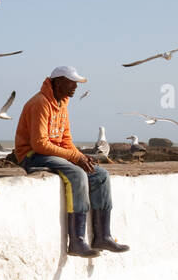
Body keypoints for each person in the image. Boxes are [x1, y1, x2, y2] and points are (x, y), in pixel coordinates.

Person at [13, 65, 129, 257]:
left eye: (76, 83)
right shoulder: (40, 103)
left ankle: (102, 236)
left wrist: (81, 157)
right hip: (32, 156)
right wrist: (75, 158)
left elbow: (65, 140)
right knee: (77, 174)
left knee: (100, 174)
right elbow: (40, 144)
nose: (75, 87)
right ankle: (76, 241)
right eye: (71, 83)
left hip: (53, 154)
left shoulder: (62, 103)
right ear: (57, 82)